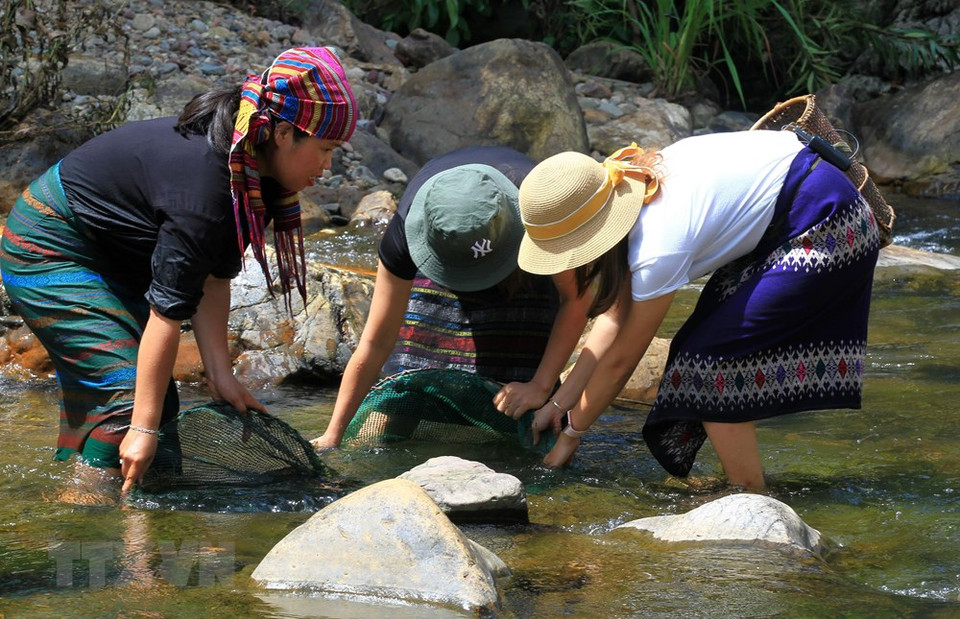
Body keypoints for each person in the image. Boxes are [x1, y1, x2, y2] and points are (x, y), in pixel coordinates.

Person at [0, 47, 357, 496]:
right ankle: (86, 514)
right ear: (283, 134)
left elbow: (212, 279)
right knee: (131, 401)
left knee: (151, 400)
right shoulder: (206, 190)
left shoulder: (250, 173)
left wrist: (220, 376)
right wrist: (143, 431)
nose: (327, 168)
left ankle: (95, 499)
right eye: (325, 150)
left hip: (114, 251)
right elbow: (168, 314)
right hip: (48, 245)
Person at [512, 131, 880, 489]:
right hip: (789, 213)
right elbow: (614, 317)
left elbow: (623, 358)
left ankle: (749, 493)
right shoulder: (636, 182)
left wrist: (573, 434)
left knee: (709, 363)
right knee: (700, 351)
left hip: (828, 220)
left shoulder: (657, 246)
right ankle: (741, 483)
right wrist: (560, 404)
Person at [313, 146, 592, 448]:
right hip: (452, 241)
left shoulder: (542, 213)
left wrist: (540, 385)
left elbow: (575, 300)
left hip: (521, 248)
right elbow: (376, 342)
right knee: (410, 367)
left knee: (533, 402)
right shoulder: (408, 230)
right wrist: (334, 434)